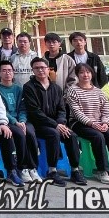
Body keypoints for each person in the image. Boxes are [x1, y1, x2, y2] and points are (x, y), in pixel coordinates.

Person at [23, 56, 87, 187]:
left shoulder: (56, 88)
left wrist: (61, 123)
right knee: (54, 134)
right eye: (37, 68)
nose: (40, 70)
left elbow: (61, 109)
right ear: (33, 70)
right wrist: (56, 125)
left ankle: (75, 170)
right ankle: (52, 170)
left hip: (57, 123)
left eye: (43, 67)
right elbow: (35, 112)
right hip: (38, 124)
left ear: (48, 69)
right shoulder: (29, 87)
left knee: (71, 135)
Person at [66, 63, 109, 185]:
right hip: (79, 123)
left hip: (99, 123)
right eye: (81, 72)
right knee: (98, 137)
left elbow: (107, 111)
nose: (85, 75)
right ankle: (102, 171)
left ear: (92, 74)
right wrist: (92, 123)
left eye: (88, 72)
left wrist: (106, 123)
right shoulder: (72, 91)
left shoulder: (99, 92)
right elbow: (76, 112)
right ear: (77, 75)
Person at [0, 60, 41, 183]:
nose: (7, 73)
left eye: (9, 70)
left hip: (21, 120)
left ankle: (32, 167)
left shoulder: (18, 88)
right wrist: (15, 122)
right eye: (4, 71)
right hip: (7, 121)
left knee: (30, 133)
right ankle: (22, 167)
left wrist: (22, 120)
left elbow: (23, 107)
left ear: (13, 73)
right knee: (20, 134)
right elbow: (1, 110)